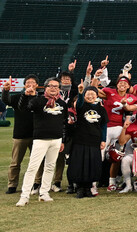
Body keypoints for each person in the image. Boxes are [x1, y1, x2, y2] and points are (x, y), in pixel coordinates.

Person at [16, 77, 68, 207]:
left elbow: (64, 123)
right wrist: (26, 95)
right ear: (45, 87)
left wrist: (63, 140)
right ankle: (24, 196)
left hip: (56, 139)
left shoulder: (62, 104)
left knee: (50, 167)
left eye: (56, 86)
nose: (53, 88)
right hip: (40, 139)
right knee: (32, 168)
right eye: (50, 86)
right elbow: (23, 109)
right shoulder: (38, 101)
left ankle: (44, 193)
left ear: (59, 89)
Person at [69, 87, 108, 198]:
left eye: (93, 94)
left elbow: (103, 126)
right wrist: (80, 93)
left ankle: (88, 188)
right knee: (80, 164)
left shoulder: (101, 109)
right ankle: (80, 188)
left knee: (92, 165)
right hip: (80, 139)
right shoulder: (82, 106)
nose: (90, 96)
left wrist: (103, 140)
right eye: (88, 94)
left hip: (94, 140)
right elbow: (80, 102)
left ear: (97, 96)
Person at [3, 75, 38, 194]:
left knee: (37, 162)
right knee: (15, 162)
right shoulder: (18, 97)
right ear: (24, 85)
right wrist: (6, 90)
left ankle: (36, 184)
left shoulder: (40, 98)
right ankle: (12, 185)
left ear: (37, 85)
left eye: (33, 82)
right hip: (20, 135)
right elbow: (6, 100)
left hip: (36, 135)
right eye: (28, 82)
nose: (30, 84)